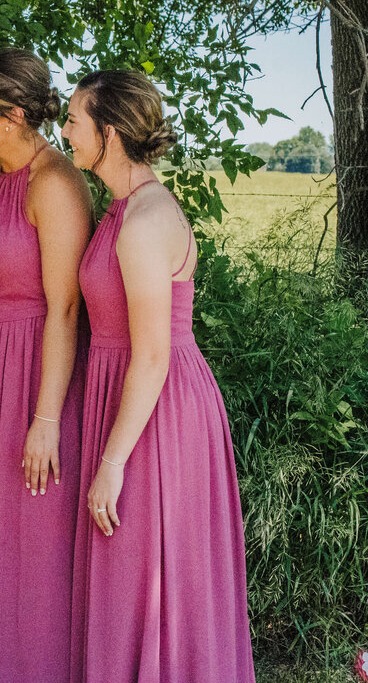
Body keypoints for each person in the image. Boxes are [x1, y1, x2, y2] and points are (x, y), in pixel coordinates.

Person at [63, 70, 255, 682]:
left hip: (154, 407)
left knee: (145, 574)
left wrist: (113, 461)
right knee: (127, 573)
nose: (64, 132)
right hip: (128, 393)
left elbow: (151, 354)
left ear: (108, 133)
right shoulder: (122, 209)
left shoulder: (143, 223)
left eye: (73, 120)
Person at [0, 49, 92, 683]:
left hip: (40, 374)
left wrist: (46, 418)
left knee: (33, 546)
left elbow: (65, 309)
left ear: (13, 115)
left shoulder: (55, 184)